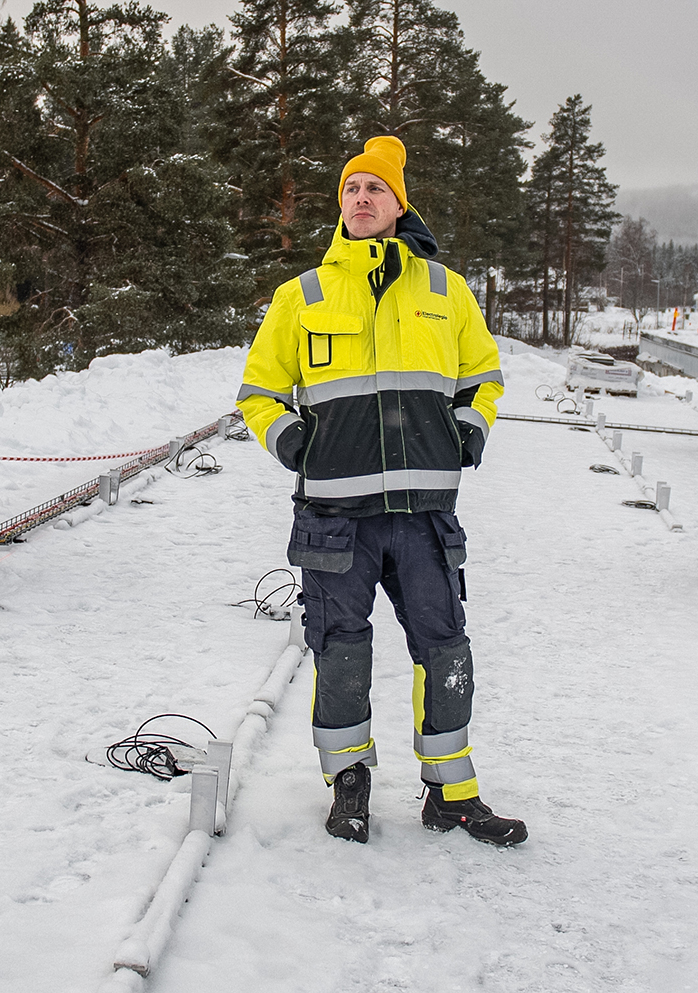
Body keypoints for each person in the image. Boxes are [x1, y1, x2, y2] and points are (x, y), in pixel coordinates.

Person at [235, 135, 526, 847]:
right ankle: (349, 783)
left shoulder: (445, 290)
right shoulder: (301, 295)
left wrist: (468, 431)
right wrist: (297, 444)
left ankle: (452, 794)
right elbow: (259, 393)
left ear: (400, 204)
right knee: (341, 648)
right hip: (336, 517)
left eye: (375, 188)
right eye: (351, 189)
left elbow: (483, 376)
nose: (360, 198)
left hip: (425, 515)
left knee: (445, 647)